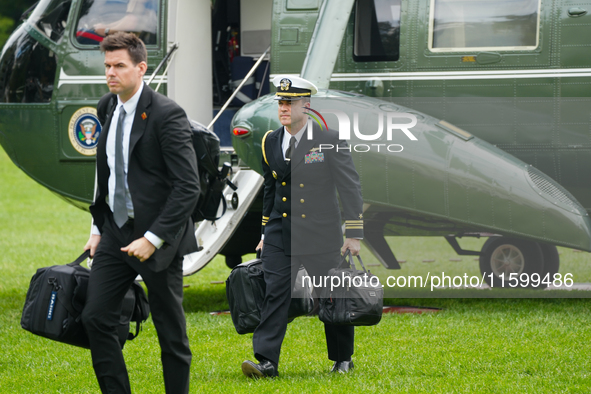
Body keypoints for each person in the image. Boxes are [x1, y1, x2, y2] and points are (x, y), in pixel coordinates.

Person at [81, 32, 199, 394]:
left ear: (141, 68)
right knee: (95, 317)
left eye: (119, 66)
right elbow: (107, 172)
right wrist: (97, 229)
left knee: (170, 332)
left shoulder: (166, 114)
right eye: (107, 66)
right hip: (115, 230)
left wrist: (152, 238)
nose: (111, 73)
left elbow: (188, 186)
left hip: (157, 238)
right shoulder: (107, 106)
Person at [241, 75, 364, 378]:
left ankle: (342, 358)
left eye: (289, 102)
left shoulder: (329, 139)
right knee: (274, 294)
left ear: (306, 105)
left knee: (331, 296)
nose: (283, 108)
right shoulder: (270, 140)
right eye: (281, 102)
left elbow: (350, 187)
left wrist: (355, 234)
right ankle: (266, 362)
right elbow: (271, 188)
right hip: (280, 234)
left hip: (321, 234)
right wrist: (264, 231)